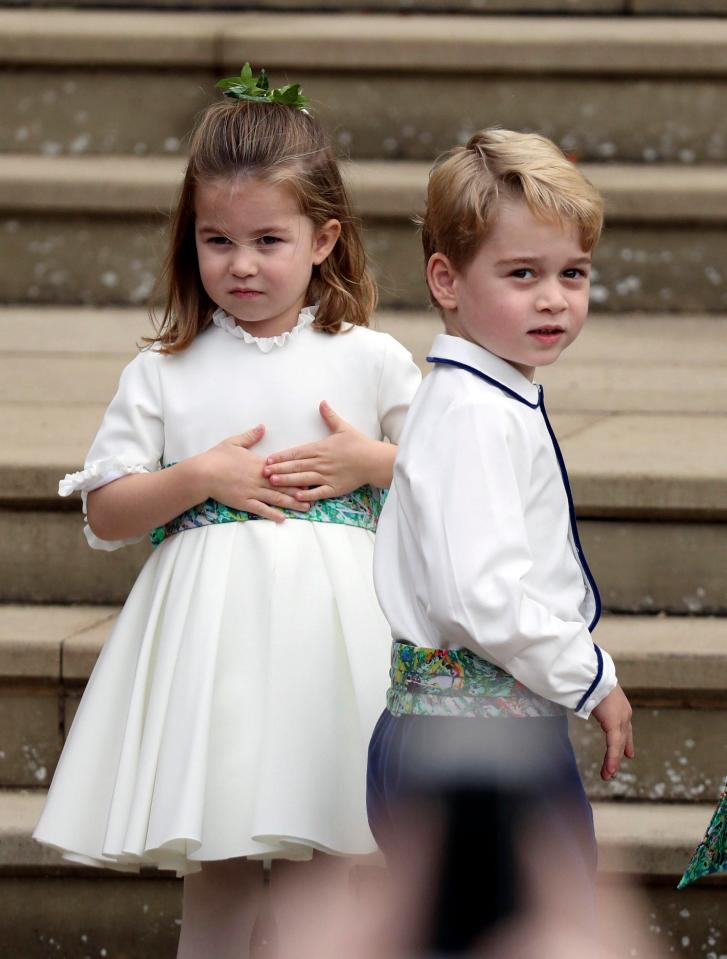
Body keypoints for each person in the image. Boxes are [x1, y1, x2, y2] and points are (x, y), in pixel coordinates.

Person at [33, 66, 421, 957]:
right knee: (223, 858)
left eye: (267, 240)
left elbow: (450, 474)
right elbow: (107, 509)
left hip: (334, 643)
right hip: (214, 655)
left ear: (324, 238)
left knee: (329, 850)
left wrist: (371, 460)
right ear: (190, 238)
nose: (240, 264)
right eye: (217, 240)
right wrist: (199, 476)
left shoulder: (368, 358)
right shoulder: (165, 370)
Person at [367, 129, 635, 936]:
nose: (552, 298)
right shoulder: (477, 413)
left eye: (571, 274)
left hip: (465, 728)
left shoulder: (479, 397)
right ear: (445, 280)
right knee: (532, 936)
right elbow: (481, 593)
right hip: (476, 741)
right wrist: (589, 674)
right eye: (522, 275)